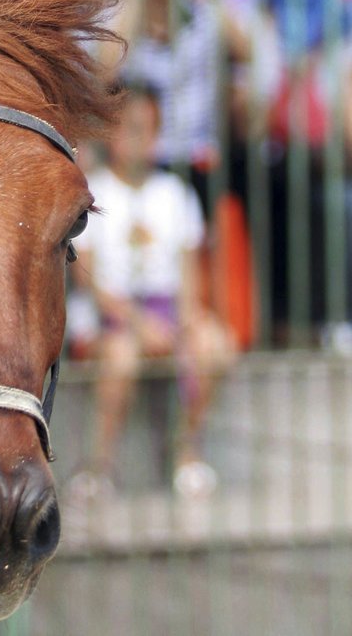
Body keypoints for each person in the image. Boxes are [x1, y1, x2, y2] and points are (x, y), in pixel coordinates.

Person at [68, 85, 235, 497]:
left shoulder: (175, 194)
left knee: (215, 343)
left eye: (143, 129)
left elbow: (188, 271)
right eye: (124, 128)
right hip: (110, 317)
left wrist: (188, 321)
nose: (133, 138)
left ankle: (187, 454)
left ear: (158, 137)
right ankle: (100, 466)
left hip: (166, 312)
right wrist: (139, 323)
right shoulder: (92, 192)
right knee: (122, 357)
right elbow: (85, 275)